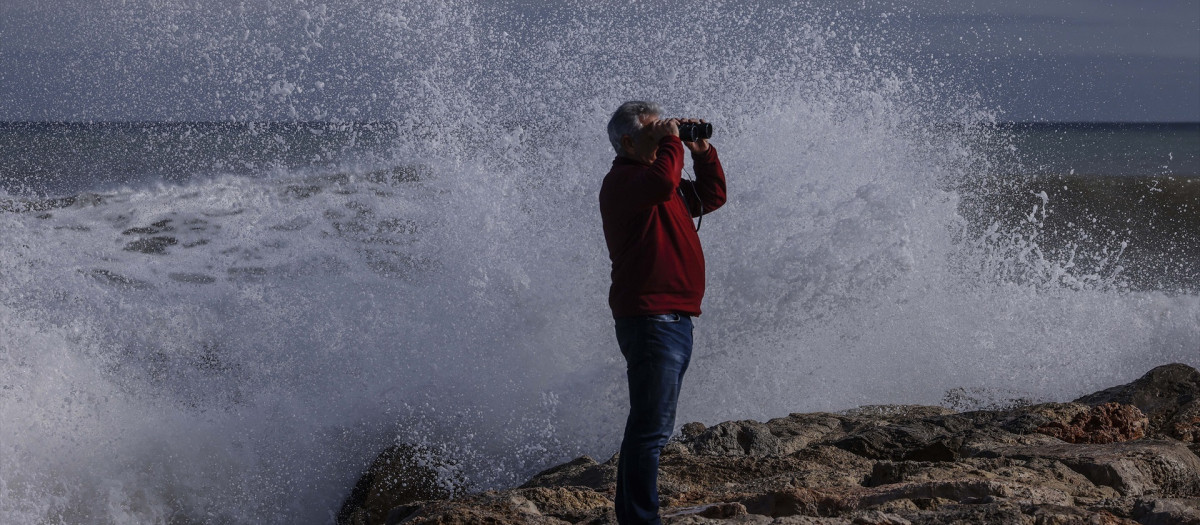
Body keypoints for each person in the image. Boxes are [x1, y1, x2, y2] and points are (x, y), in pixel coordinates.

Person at [598, 100, 727, 524]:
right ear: (630, 140)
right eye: (654, 129)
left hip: (673, 318)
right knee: (650, 429)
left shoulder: (659, 179)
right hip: (651, 319)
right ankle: (639, 519)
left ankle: (637, 515)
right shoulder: (624, 182)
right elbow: (660, 184)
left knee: (652, 426)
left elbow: (712, 197)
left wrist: (701, 152)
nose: (666, 133)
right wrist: (672, 142)